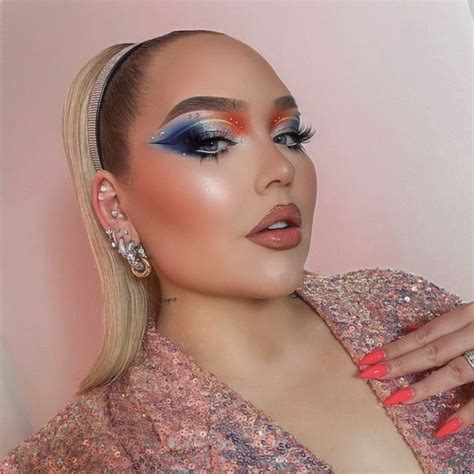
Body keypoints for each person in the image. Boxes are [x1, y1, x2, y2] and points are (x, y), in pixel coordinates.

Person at [0, 29, 472, 473]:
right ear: (116, 207)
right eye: (211, 141)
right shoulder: (90, 453)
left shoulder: (400, 307)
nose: (280, 168)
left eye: (289, 136)